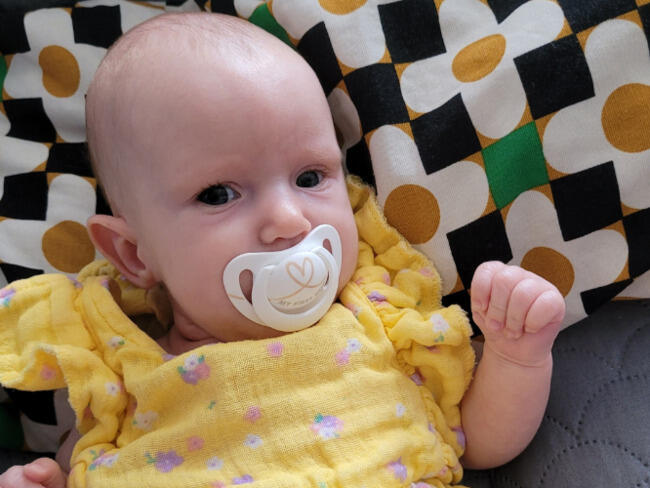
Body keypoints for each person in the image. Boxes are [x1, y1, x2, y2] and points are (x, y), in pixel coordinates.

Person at [0, 12, 565, 488]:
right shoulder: (124, 373)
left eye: (310, 177)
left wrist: (517, 357)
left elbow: (476, 442)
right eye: (218, 194)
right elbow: (90, 465)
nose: (288, 220)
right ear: (134, 255)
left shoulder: (381, 323)